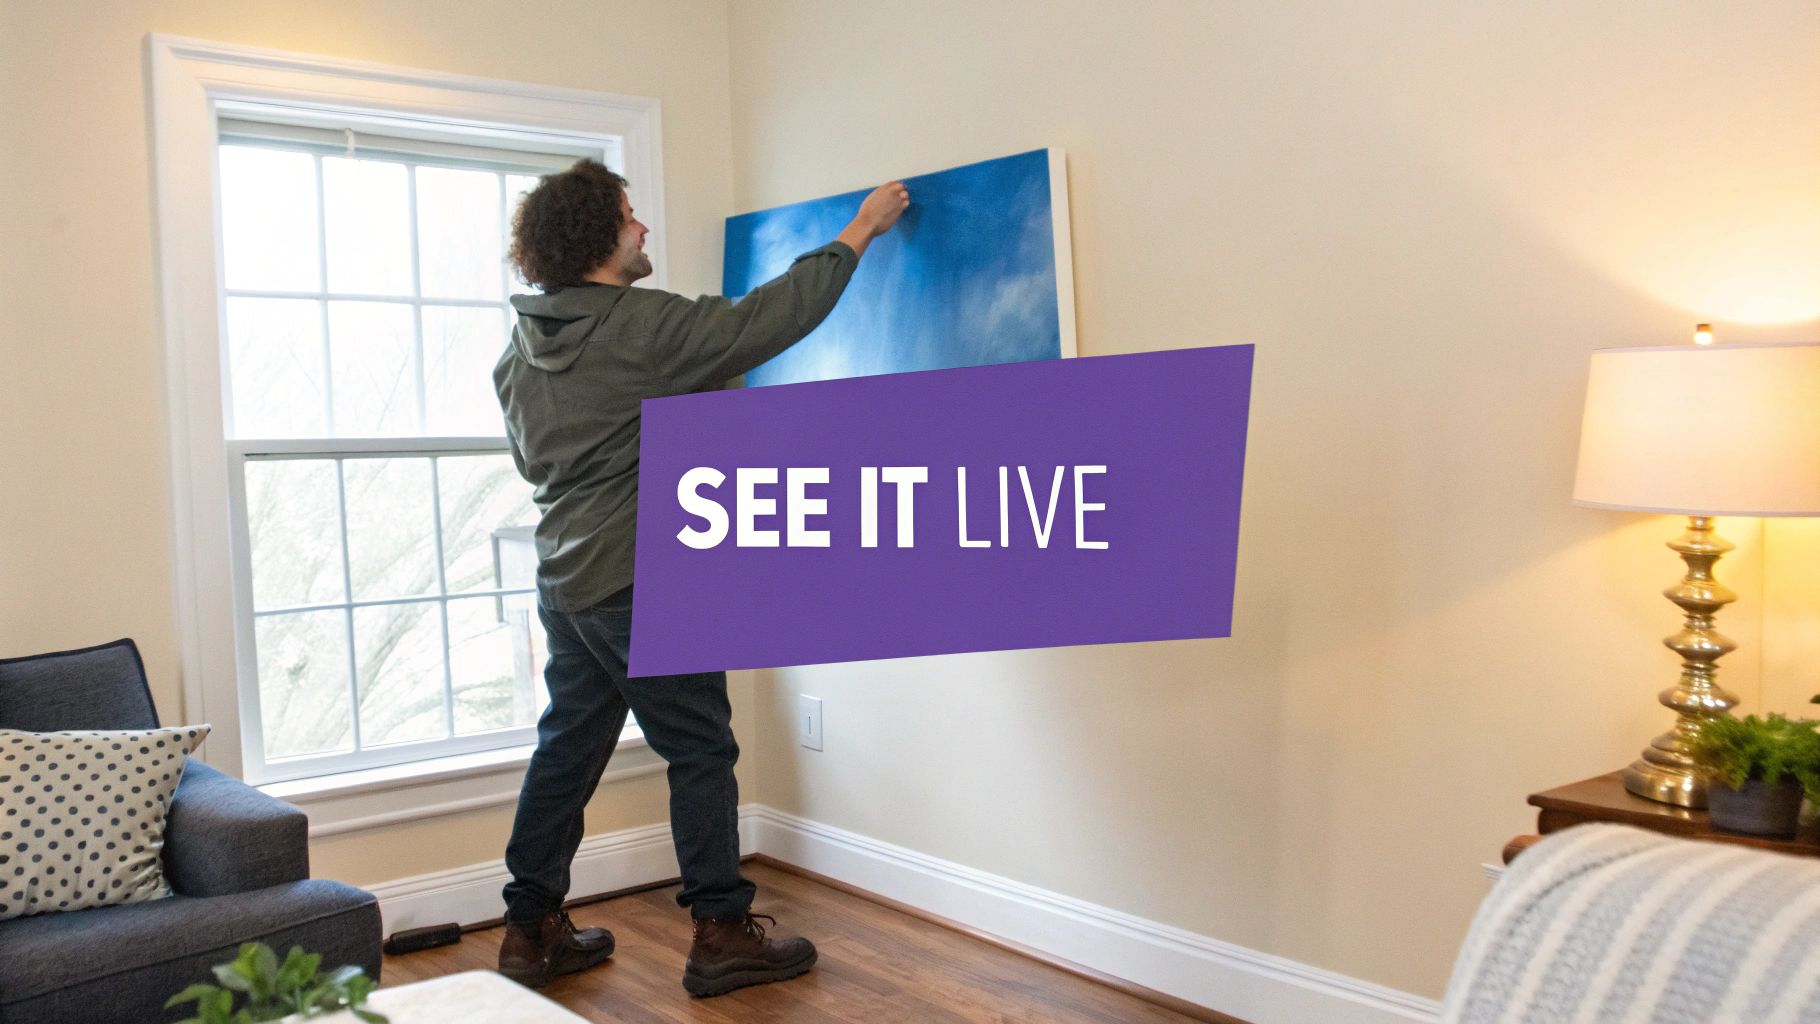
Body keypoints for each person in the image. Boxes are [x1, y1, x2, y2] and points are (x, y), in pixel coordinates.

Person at [492, 158, 908, 997]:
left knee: (567, 749)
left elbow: (580, 449)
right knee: (700, 747)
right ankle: (721, 932)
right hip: (641, 583)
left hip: (568, 586)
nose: (642, 227)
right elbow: (769, 317)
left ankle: (528, 930)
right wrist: (858, 231)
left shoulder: (520, 352)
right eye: (629, 215)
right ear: (597, 236)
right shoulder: (639, 325)